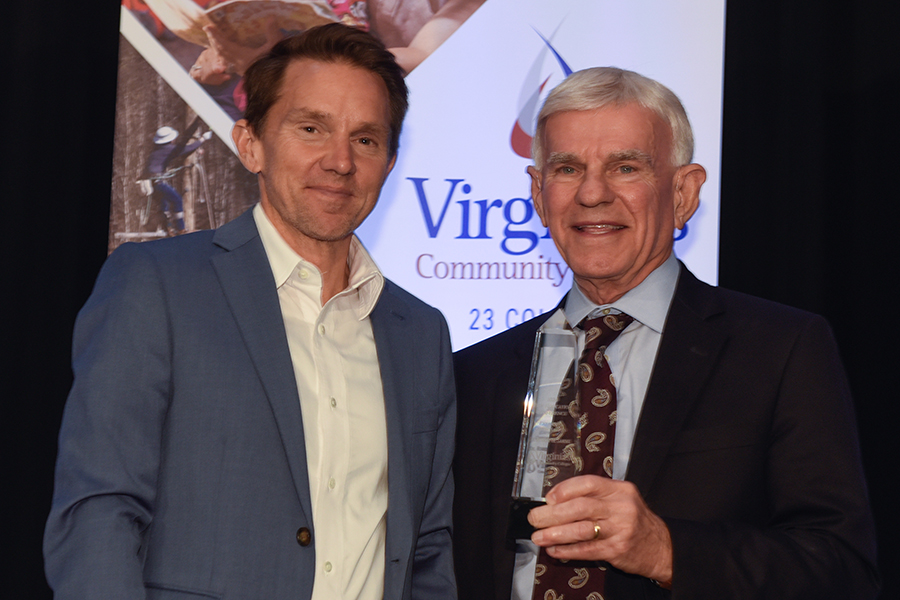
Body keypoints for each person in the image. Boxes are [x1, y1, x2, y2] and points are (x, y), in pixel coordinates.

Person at [44, 23, 456, 600]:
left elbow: (427, 548)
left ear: (389, 161)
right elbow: (99, 509)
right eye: (311, 128)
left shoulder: (421, 333)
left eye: (366, 139)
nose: (340, 161)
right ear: (250, 144)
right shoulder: (158, 285)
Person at [452, 67, 879, 599]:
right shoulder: (474, 373)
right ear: (538, 194)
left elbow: (841, 571)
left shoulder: (780, 350)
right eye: (566, 168)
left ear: (683, 192)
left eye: (626, 167)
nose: (591, 194)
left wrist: (665, 549)